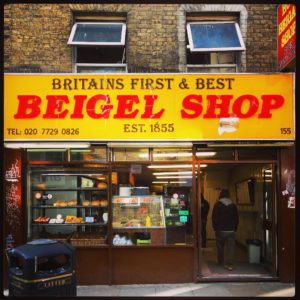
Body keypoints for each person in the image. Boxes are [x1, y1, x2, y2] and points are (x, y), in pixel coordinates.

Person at [212, 189, 239, 271]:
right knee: (230, 248)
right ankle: (230, 264)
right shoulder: (233, 205)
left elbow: (214, 218)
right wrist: (235, 228)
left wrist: (215, 228)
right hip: (231, 230)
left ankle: (220, 261)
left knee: (220, 246)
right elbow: (236, 218)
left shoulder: (217, 205)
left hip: (220, 230)